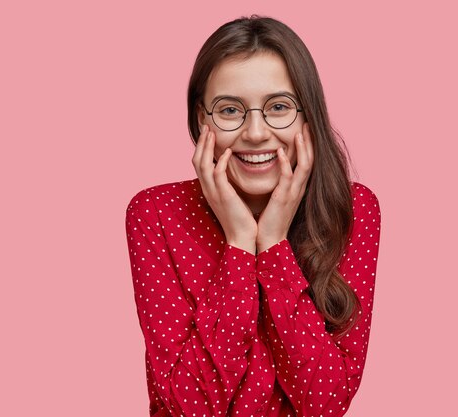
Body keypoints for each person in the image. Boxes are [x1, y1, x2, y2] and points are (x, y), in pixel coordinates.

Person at [125, 15, 382, 417]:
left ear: (307, 117)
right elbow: (186, 407)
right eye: (230, 110)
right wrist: (240, 243)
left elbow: (326, 403)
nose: (256, 132)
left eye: (279, 107)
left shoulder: (353, 210)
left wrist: (275, 244)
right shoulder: (155, 214)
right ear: (201, 120)